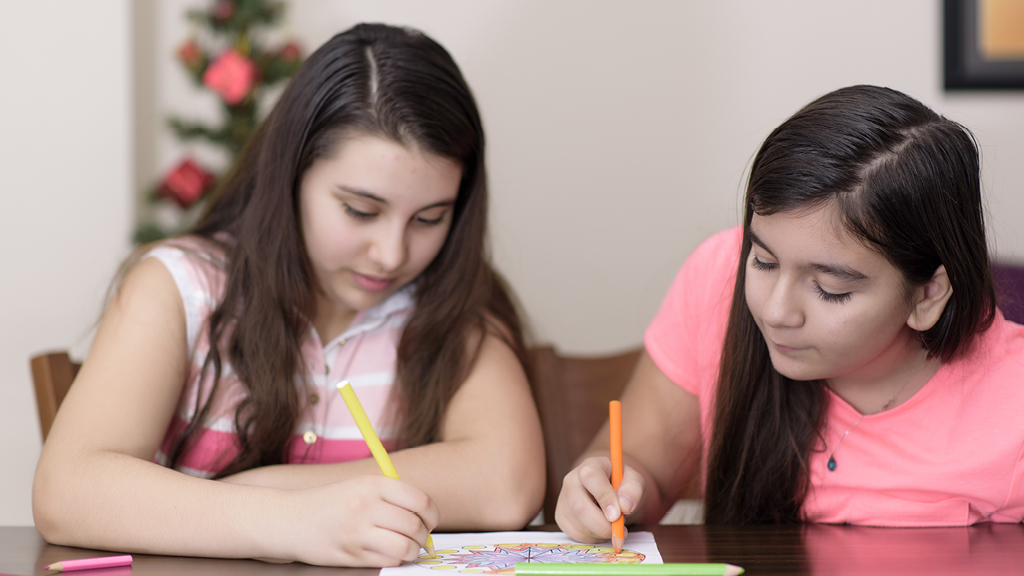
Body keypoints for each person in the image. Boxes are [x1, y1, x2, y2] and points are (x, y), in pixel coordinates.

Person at [34, 24, 545, 567]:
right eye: (360, 211)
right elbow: (67, 490)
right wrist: (292, 521)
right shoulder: (179, 289)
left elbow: (506, 483)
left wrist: (266, 490)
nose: (392, 254)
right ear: (292, 175)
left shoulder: (455, 306)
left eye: (429, 218)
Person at [556, 85, 1024, 539]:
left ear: (926, 295)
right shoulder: (718, 274)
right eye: (762, 261)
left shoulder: (1012, 403)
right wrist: (603, 491)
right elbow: (642, 469)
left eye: (830, 289)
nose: (777, 312)